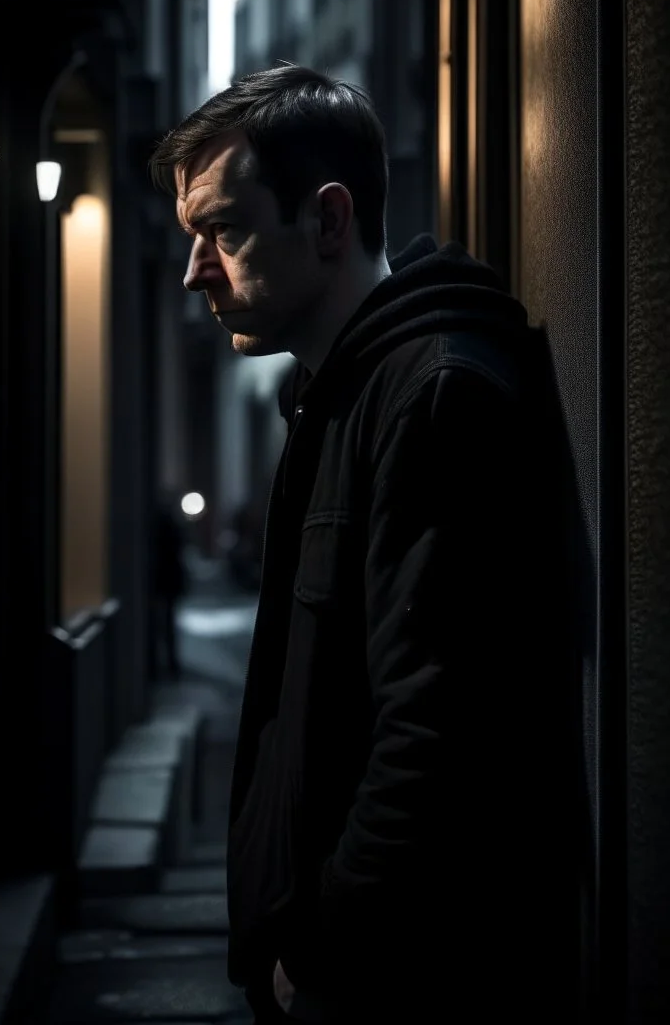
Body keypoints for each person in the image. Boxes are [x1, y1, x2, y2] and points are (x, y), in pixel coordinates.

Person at [150, 66, 571, 1022]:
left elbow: (436, 733)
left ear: (329, 220)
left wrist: (323, 951)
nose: (194, 270)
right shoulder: (344, 393)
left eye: (224, 229)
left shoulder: (432, 396)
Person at [150, 500, 187, 679]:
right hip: (168, 582)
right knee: (167, 624)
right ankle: (170, 664)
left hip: (162, 582)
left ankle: (165, 663)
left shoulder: (161, 529)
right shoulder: (172, 527)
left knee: (163, 623)